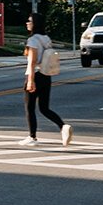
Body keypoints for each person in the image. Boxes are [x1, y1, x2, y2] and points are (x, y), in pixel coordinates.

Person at [21, 13, 72, 147]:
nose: (27, 23)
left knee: (29, 107)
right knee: (44, 108)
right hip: (46, 75)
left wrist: (30, 80)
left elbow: (32, 61)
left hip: (36, 74)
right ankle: (63, 126)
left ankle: (32, 136)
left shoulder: (32, 40)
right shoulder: (46, 38)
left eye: (29, 21)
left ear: (35, 24)